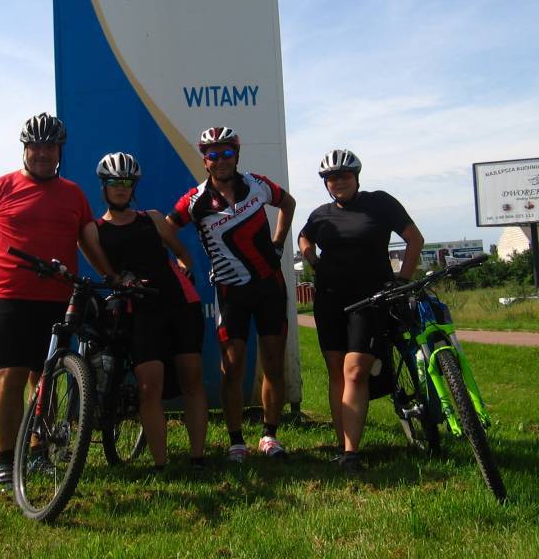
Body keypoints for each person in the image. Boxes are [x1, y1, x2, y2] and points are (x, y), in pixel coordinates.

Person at [0, 113, 121, 494]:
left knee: (45, 377)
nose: (43, 153)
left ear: (60, 150)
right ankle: (5, 462)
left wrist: (111, 275)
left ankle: (37, 452)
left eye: (50, 146)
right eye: (36, 146)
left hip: (57, 297)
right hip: (7, 296)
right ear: (25, 149)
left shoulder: (73, 194)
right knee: (10, 376)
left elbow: (88, 242)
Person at [167, 126, 296, 461]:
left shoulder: (257, 184)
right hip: (230, 292)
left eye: (227, 153)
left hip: (269, 287)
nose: (220, 159)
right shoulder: (195, 200)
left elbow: (288, 203)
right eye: (213, 154)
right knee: (232, 369)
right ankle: (236, 441)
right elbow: (166, 228)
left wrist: (278, 243)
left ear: (236, 156)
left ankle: (270, 436)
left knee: (273, 364)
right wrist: (183, 258)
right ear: (205, 161)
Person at [297, 149, 424, 471]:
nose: (338, 182)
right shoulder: (321, 214)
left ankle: (352, 453)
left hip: (371, 298)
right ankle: (342, 446)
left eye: (344, 176)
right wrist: (313, 261)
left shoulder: (380, 203)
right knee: (336, 371)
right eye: (331, 178)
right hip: (329, 299)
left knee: (355, 371)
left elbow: (414, 239)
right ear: (325, 183)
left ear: (356, 178)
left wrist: (402, 280)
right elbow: (304, 238)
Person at [93, 152, 208, 471]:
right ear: (103, 185)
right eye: (114, 181)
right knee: (149, 387)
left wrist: (185, 271)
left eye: (127, 181)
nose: (121, 187)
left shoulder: (153, 218)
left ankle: (198, 459)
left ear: (134, 186)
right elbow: (106, 274)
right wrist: (120, 280)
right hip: (141, 310)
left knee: (192, 379)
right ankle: (160, 464)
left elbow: (182, 253)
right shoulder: (94, 230)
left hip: (180, 303)